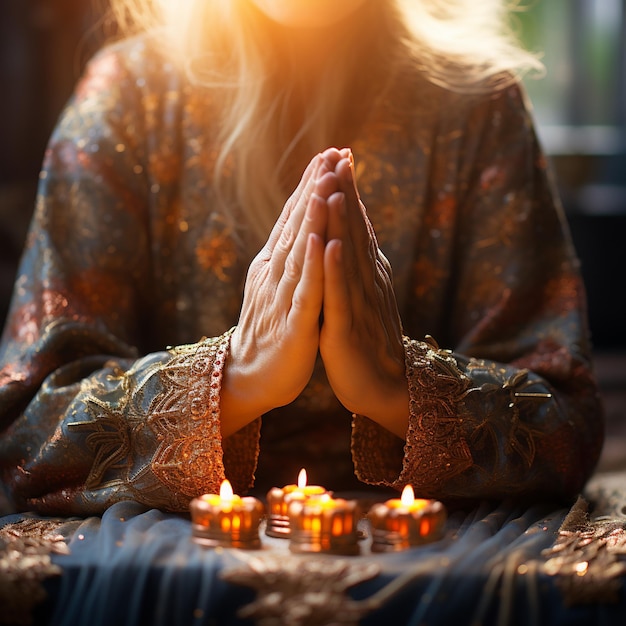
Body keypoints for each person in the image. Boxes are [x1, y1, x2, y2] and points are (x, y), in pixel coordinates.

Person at [0, 0, 604, 515]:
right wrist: (235, 378)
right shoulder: (129, 99)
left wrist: (397, 388)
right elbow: (25, 434)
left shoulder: (476, 105)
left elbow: (566, 426)